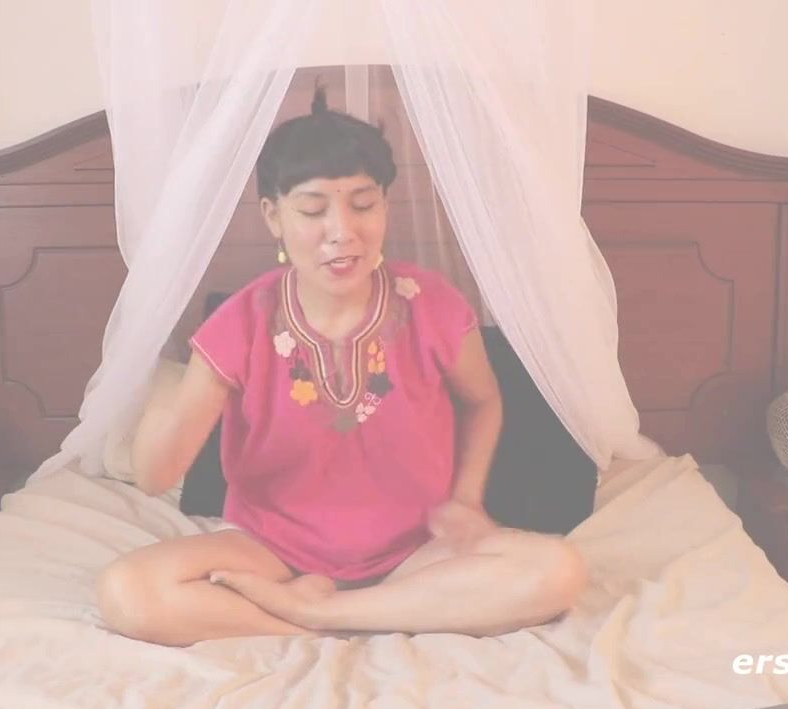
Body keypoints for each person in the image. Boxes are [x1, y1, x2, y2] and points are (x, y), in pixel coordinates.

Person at [96, 85, 586, 647]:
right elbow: (156, 476)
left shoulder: (433, 304)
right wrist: (170, 391)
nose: (342, 231)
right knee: (127, 592)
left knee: (559, 571)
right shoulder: (240, 324)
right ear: (273, 216)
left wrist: (467, 499)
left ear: (385, 206)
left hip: (418, 551)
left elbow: (484, 401)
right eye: (312, 209)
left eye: (363, 204)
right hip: (271, 552)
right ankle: (359, 615)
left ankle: (323, 616)